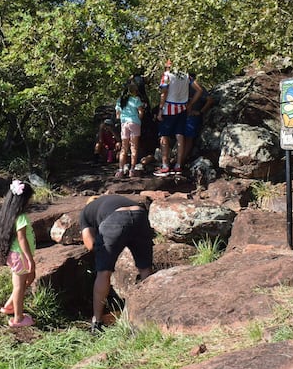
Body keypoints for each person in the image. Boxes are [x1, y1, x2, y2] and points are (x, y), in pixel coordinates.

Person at [79, 195, 154, 333]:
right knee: (145, 268)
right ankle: (150, 313)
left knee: (104, 272)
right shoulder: (111, 200)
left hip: (116, 219)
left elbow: (89, 244)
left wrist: (105, 251)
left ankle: (97, 321)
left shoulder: (85, 212)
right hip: (140, 214)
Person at [0, 179, 36, 328]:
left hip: (14, 255)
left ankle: (8, 306)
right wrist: (30, 259)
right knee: (19, 285)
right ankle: (18, 318)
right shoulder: (21, 217)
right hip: (20, 256)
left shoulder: (8, 215)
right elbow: (22, 239)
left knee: (25, 280)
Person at [154, 59, 202, 176]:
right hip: (182, 109)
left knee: (164, 136)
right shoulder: (186, 76)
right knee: (179, 135)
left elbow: (164, 92)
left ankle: (165, 166)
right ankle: (178, 165)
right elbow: (199, 90)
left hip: (168, 108)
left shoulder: (167, 75)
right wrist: (189, 104)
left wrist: (160, 110)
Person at [114, 80, 145, 178]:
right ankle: (132, 169)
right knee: (133, 148)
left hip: (124, 124)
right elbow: (141, 112)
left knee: (124, 148)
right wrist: (138, 119)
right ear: (134, 91)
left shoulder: (120, 100)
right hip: (134, 122)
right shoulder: (136, 99)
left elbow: (117, 116)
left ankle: (120, 170)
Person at [182, 74, 214, 162]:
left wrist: (200, 112)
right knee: (181, 137)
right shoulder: (182, 87)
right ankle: (179, 159)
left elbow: (210, 100)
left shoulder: (199, 89)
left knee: (188, 138)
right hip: (183, 115)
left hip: (192, 116)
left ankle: (182, 160)